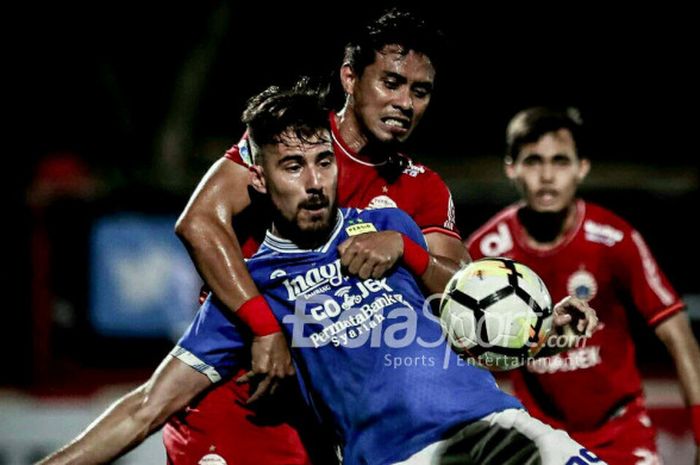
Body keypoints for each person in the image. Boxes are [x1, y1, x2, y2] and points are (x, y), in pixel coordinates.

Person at [37, 87, 598, 465]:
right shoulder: (253, 290)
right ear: (258, 179)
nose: (313, 182)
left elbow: (472, 316)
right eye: (292, 166)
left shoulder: (386, 223)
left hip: (502, 430)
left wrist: (543, 327)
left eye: (323, 162)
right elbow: (145, 407)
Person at [168, 7, 467, 464]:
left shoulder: (422, 188)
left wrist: (531, 323)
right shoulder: (294, 139)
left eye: (420, 91)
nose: (405, 103)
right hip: (241, 387)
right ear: (350, 77)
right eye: (391, 82)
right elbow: (199, 222)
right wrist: (265, 328)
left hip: (326, 412)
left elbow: (463, 298)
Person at [466, 106, 700, 465]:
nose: (547, 176)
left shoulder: (614, 240)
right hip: (540, 439)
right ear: (510, 167)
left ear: (582, 167)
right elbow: (460, 351)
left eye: (560, 161)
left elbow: (678, 334)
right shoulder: (486, 254)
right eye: (533, 161)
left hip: (621, 434)